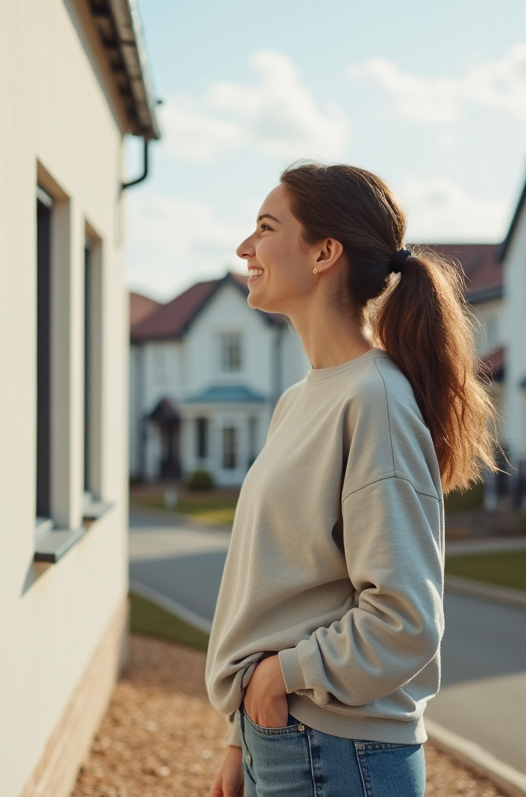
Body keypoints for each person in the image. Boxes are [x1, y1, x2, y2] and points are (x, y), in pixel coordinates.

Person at [206, 163, 498, 797]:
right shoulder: (299, 401)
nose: (244, 247)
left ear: (324, 253)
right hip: (283, 738)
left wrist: (279, 675)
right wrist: (241, 736)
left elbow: (405, 618)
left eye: (265, 227)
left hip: (336, 750)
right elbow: (275, 584)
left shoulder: (376, 402)